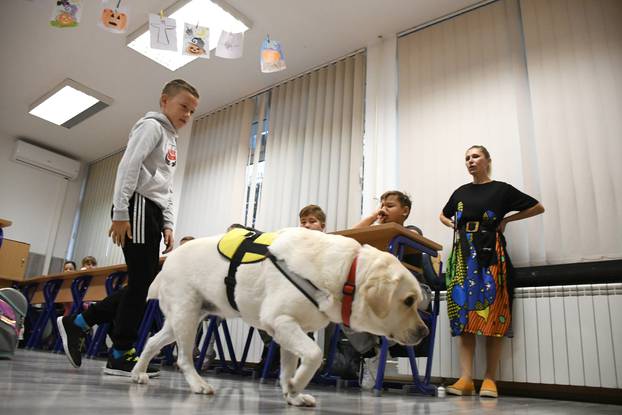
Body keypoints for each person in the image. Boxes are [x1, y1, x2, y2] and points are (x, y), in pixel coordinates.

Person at [57, 79, 199, 377]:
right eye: (183, 106)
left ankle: (83, 324)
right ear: (164, 101)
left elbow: (166, 185)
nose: (187, 114)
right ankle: (119, 351)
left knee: (144, 283)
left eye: (192, 111)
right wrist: (121, 212)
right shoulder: (151, 127)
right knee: (143, 283)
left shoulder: (172, 139)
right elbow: (128, 166)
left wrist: (168, 223)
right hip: (136, 206)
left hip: (152, 211)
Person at [439, 145, 544, 398]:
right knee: (463, 317)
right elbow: (442, 215)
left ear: (487, 160)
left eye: (475, 156)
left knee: (493, 315)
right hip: (463, 256)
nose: (470, 161)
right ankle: (465, 379)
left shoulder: (502, 189)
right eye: (466, 158)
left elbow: (538, 207)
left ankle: (489, 379)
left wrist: (506, 220)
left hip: (491, 254)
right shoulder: (461, 192)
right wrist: (455, 225)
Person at [350, 190, 427, 390]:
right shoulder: (376, 235)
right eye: (382, 206)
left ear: (405, 211)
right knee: (346, 303)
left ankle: (387, 346)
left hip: (416, 292)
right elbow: (351, 238)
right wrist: (373, 217)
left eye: (390, 206)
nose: (384, 210)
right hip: (387, 292)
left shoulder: (411, 231)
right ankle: (372, 356)